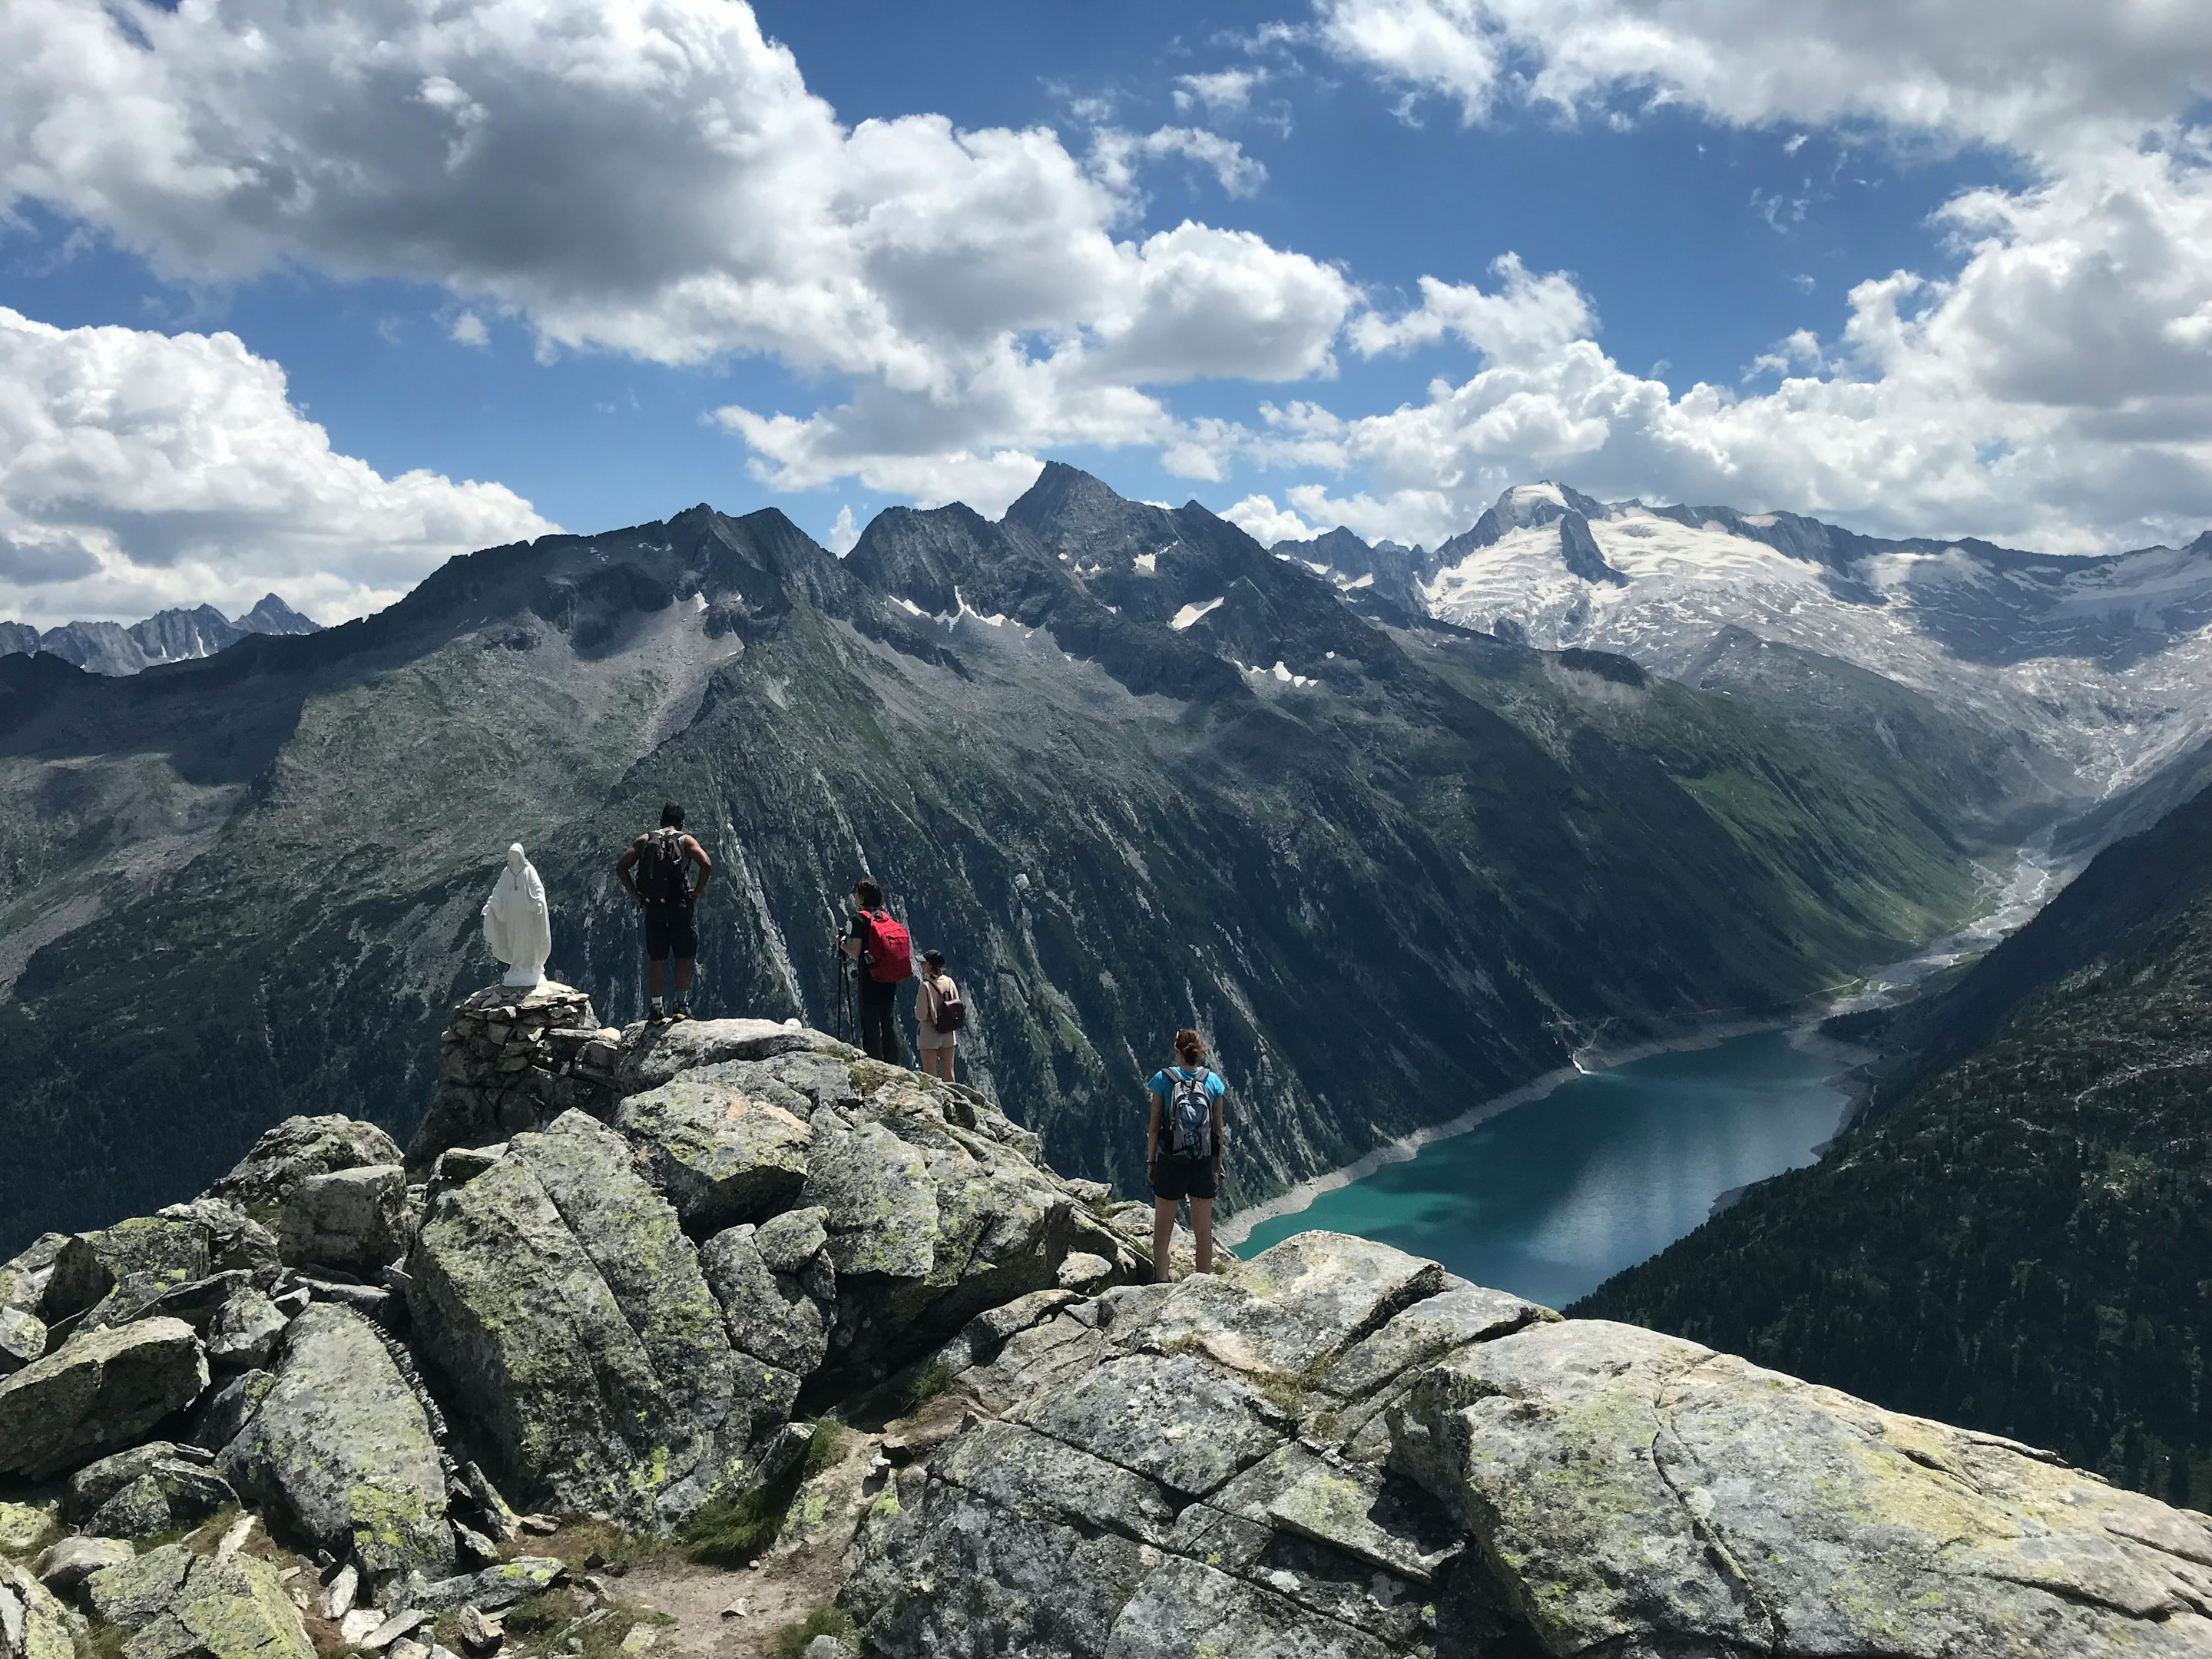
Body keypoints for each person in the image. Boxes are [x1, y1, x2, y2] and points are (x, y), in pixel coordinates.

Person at [616, 803, 712, 1022]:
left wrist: (636, 895)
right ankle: (680, 1005)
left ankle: (656, 1008)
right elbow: (706, 863)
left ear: (661, 820)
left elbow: (621, 867)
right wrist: (696, 891)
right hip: (679, 904)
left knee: (657, 958)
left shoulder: (645, 840)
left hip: (654, 906)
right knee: (683, 955)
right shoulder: (685, 840)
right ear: (681, 823)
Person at [1146, 1028, 1227, 1283]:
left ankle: (1161, 1281)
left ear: (1177, 1050)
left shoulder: (1163, 1079)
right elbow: (1218, 1130)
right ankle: (1202, 1285)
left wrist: (1152, 1161)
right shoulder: (1212, 1081)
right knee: (1203, 1232)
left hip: (1171, 1162)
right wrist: (1218, 1164)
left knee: (1163, 1230)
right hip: (1203, 1163)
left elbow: (1154, 1127)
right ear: (1198, 1052)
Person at [838, 879, 912, 1062]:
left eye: (856, 893)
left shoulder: (859, 919)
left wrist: (841, 945)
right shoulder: (883, 917)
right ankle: (893, 1063)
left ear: (862, 896)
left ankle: (875, 1063)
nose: (854, 897)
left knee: (870, 1024)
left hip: (870, 979)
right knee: (888, 1022)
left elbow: (856, 952)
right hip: (888, 978)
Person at [915, 948, 963, 1082]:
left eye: (924, 963)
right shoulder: (949, 982)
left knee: (930, 1077)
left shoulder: (925, 986)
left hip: (930, 1033)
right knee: (949, 1074)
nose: (922, 965)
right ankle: (954, 1101)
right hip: (948, 1032)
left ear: (931, 965)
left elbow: (921, 1014)